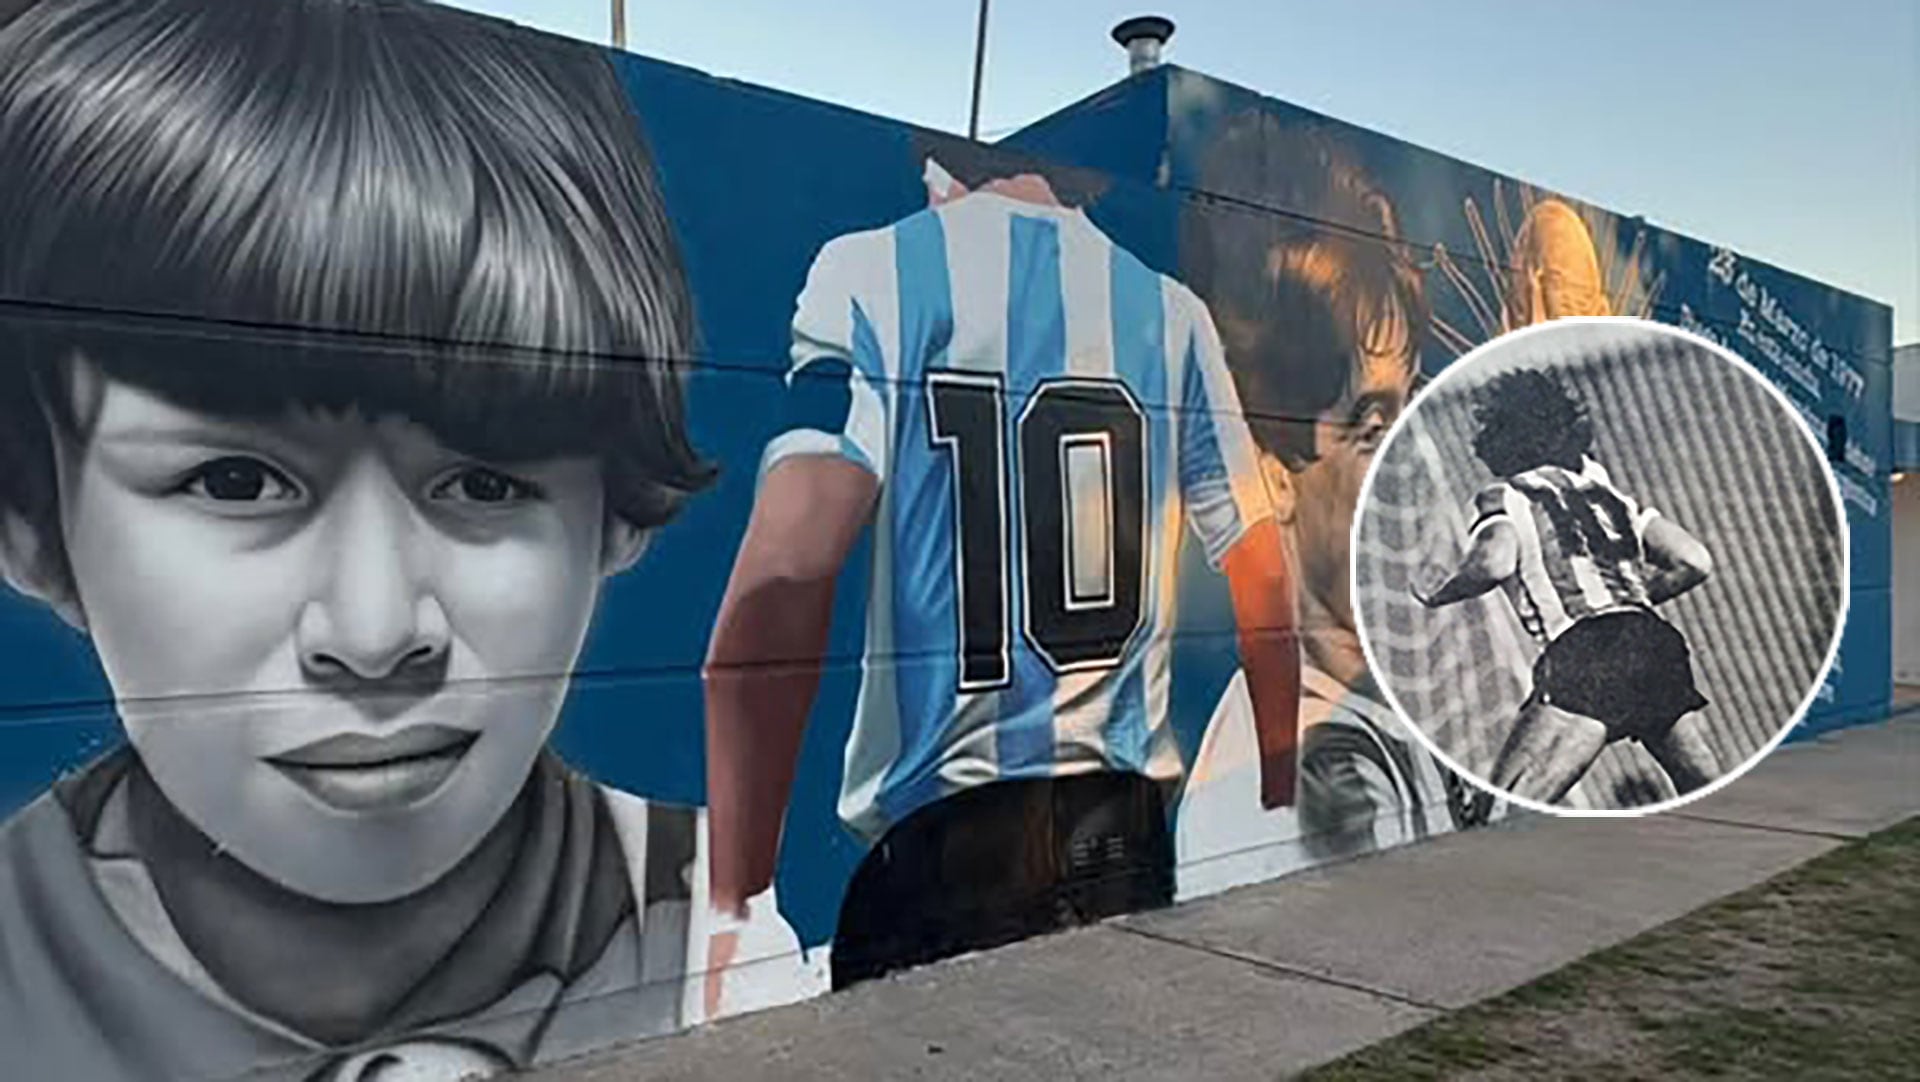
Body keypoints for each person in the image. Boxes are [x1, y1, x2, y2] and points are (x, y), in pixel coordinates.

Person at [0, 2, 813, 1078]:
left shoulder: (712, 920)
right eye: (235, 479)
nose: (378, 633)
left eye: (486, 479)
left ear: (612, 517)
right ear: (32, 528)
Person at [703, 142, 1302, 990]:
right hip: (1123, 829)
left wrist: (739, 901)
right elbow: (1265, 585)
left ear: (934, 167)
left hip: (943, 850)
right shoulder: (1173, 315)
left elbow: (786, 575)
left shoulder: (875, 270)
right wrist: (1278, 799)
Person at [1176, 113, 1494, 885]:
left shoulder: (1406, 681)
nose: (1416, 462)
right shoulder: (1275, 790)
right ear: (1271, 476)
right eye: (1373, 426)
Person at [1412, 367, 1721, 805]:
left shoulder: (1504, 495)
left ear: (1498, 439)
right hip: (1654, 641)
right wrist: (1631, 597)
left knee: (1509, 801)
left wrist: (1441, 590)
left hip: (1587, 647)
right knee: (1702, 782)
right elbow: (1695, 561)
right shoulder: (1610, 496)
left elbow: (1494, 561)